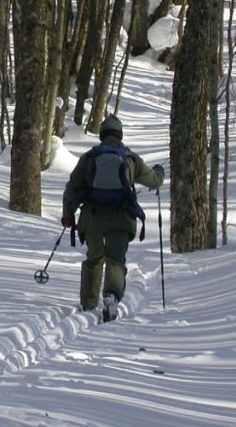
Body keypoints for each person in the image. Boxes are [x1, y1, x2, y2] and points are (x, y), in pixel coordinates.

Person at [61, 114, 164, 321]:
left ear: (102, 135)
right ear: (120, 134)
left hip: (93, 217)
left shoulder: (89, 158)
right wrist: (159, 173)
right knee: (116, 259)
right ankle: (110, 296)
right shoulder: (130, 158)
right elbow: (153, 181)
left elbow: (71, 189)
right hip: (121, 217)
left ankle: (89, 303)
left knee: (94, 258)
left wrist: (68, 216)